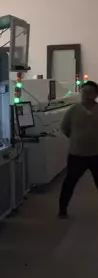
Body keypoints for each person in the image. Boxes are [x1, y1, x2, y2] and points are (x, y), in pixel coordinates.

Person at [58, 79, 98, 217]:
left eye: (90, 92)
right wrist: (76, 139)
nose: (86, 95)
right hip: (77, 154)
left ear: (96, 94)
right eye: (84, 92)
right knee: (69, 182)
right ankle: (62, 209)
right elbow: (64, 128)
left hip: (96, 154)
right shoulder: (73, 110)